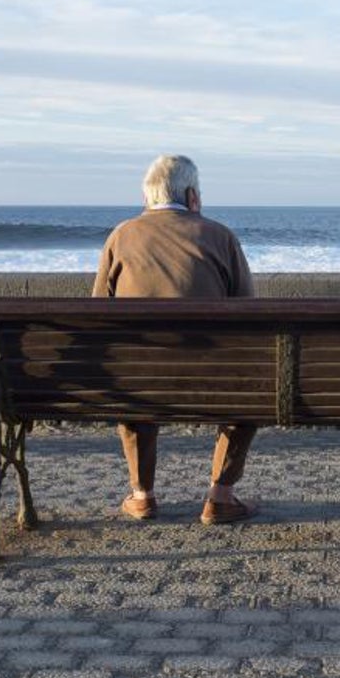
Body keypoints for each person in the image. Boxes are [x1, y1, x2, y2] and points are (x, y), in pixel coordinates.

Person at [93, 154, 258, 524]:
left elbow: (96, 312)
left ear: (148, 197)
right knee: (252, 393)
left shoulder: (121, 236)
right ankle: (220, 495)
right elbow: (251, 311)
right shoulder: (219, 236)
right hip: (212, 380)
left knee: (133, 373)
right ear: (192, 196)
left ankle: (141, 495)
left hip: (139, 383)